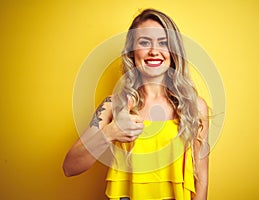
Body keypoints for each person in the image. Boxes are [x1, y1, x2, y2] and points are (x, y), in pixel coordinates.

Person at [63, 8, 209, 200]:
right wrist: (111, 132)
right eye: (144, 42)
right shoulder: (113, 106)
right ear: (132, 52)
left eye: (163, 43)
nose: (154, 51)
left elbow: (202, 179)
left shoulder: (194, 107)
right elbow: (70, 167)